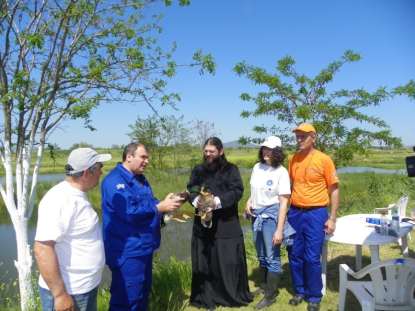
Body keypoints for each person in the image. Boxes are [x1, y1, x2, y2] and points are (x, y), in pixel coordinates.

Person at [101, 142, 183, 311]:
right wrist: (159, 208)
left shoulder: (140, 178)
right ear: (129, 157)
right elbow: (129, 212)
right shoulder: (114, 181)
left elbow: (149, 203)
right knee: (126, 300)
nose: (147, 161)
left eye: (148, 158)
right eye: (143, 157)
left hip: (144, 248)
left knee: (141, 296)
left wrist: (165, 205)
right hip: (127, 251)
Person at [34, 147, 112, 311]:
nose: (101, 172)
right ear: (86, 172)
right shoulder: (59, 199)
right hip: (70, 292)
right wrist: (60, 295)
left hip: (83, 289)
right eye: (99, 167)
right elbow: (42, 249)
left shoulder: (75, 195)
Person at [187, 137, 253, 310]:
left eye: (212, 151)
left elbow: (237, 191)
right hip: (202, 223)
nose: (208, 154)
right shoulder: (198, 170)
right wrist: (195, 201)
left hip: (226, 223)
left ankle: (228, 295)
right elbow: (192, 188)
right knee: (205, 260)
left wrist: (216, 202)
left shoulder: (231, 170)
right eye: (206, 151)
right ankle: (206, 296)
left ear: (221, 151)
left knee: (227, 260)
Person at [287, 123, 339, 311]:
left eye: (303, 136)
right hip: (294, 212)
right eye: (297, 136)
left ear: (313, 137)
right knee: (294, 253)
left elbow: (334, 190)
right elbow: (290, 187)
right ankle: (299, 290)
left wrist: (332, 217)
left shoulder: (324, 160)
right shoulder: (293, 159)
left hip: (316, 213)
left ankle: (314, 296)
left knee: (312, 256)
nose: (299, 139)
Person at [245, 136, 295, 309]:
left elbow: (283, 203)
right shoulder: (257, 167)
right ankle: (265, 286)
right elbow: (254, 191)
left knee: (272, 256)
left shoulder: (281, 172)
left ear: (278, 152)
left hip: (271, 218)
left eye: (271, 149)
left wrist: (279, 230)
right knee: (261, 254)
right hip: (256, 216)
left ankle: (271, 295)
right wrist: (249, 202)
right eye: (265, 148)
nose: (267, 152)